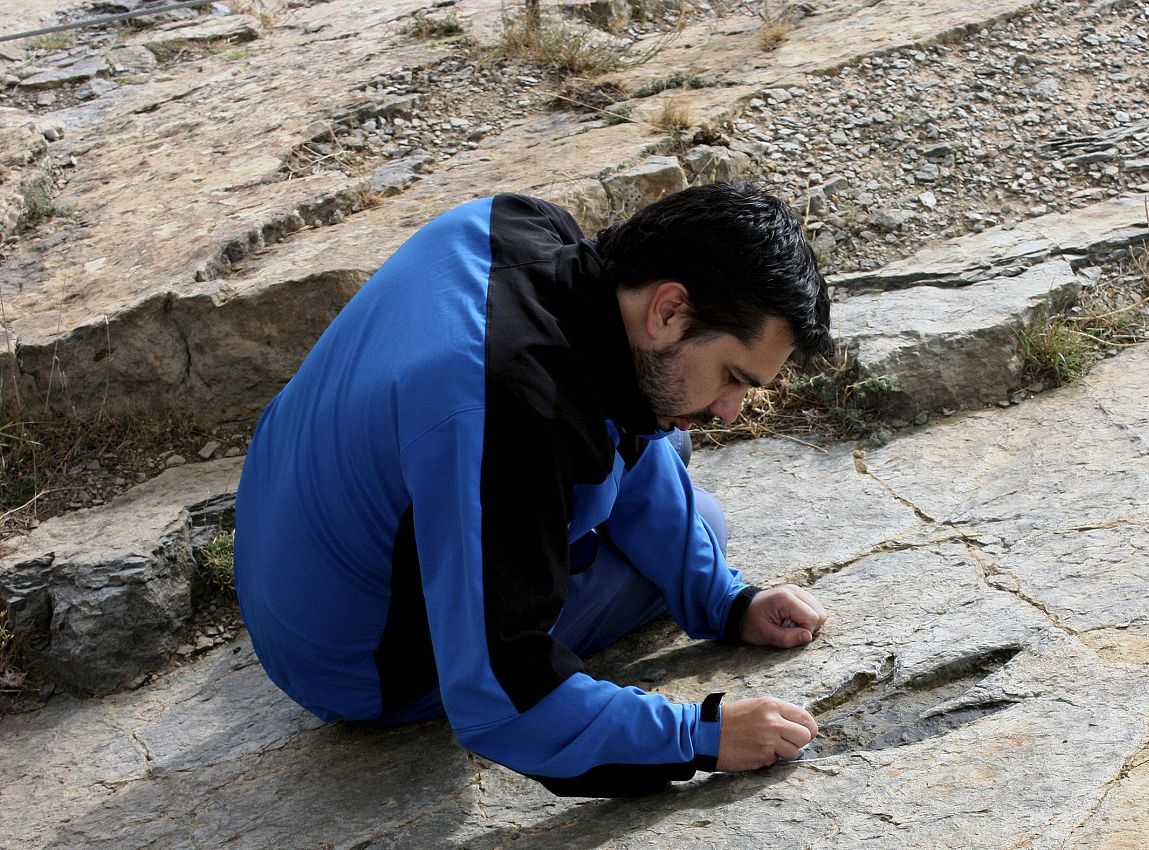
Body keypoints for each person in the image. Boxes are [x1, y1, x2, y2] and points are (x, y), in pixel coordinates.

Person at [233, 182, 834, 797]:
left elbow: (619, 418)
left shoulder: (521, 225)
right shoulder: (506, 408)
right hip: (360, 666)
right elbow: (500, 693)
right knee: (697, 514)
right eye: (733, 377)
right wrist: (698, 736)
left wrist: (726, 602)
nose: (732, 411)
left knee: (666, 431)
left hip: (288, 569)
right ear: (669, 310)